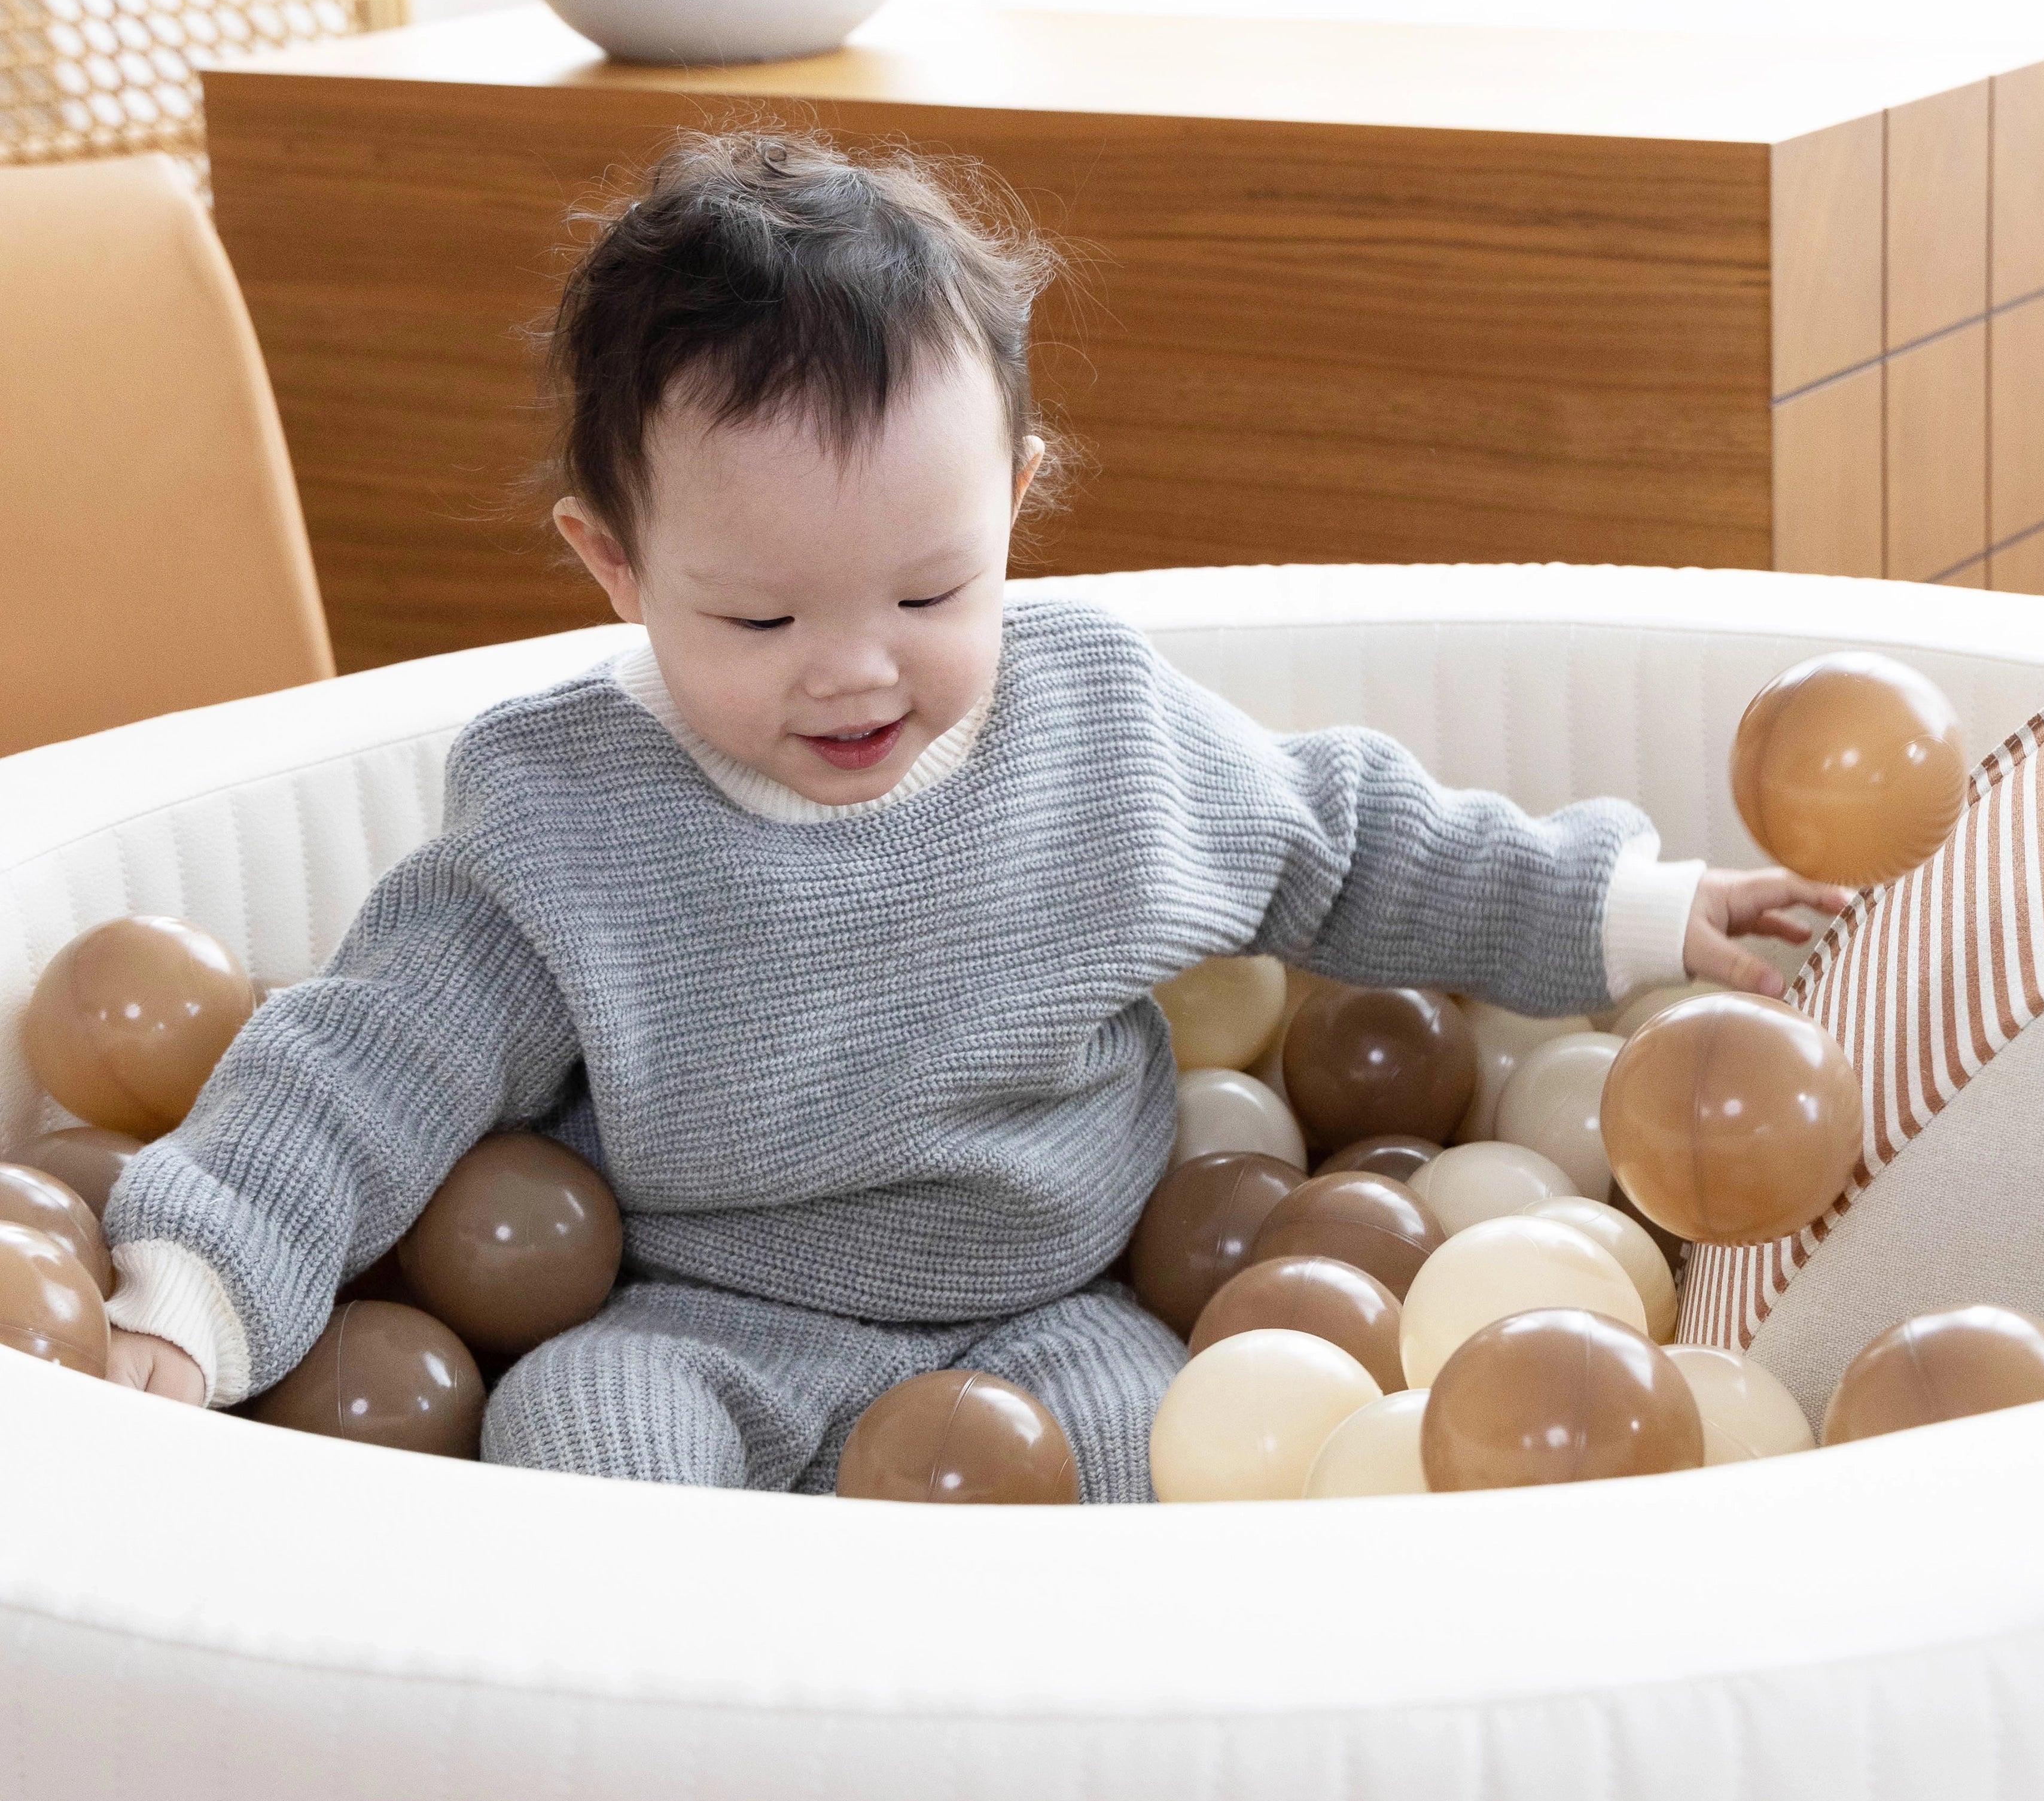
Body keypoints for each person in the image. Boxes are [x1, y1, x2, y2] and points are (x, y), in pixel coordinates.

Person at [102, 131, 1845, 1499]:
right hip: (703, 1314)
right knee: (574, 1434)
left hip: (1053, 1307)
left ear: (1017, 506)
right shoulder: (570, 818)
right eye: (762, 622)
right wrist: (192, 1295)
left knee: (1170, 1460)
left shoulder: (1097, 737)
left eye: (934, 593)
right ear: (614, 566)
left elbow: (1349, 839)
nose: (854, 674)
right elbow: (366, 1055)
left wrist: (1634, 911)